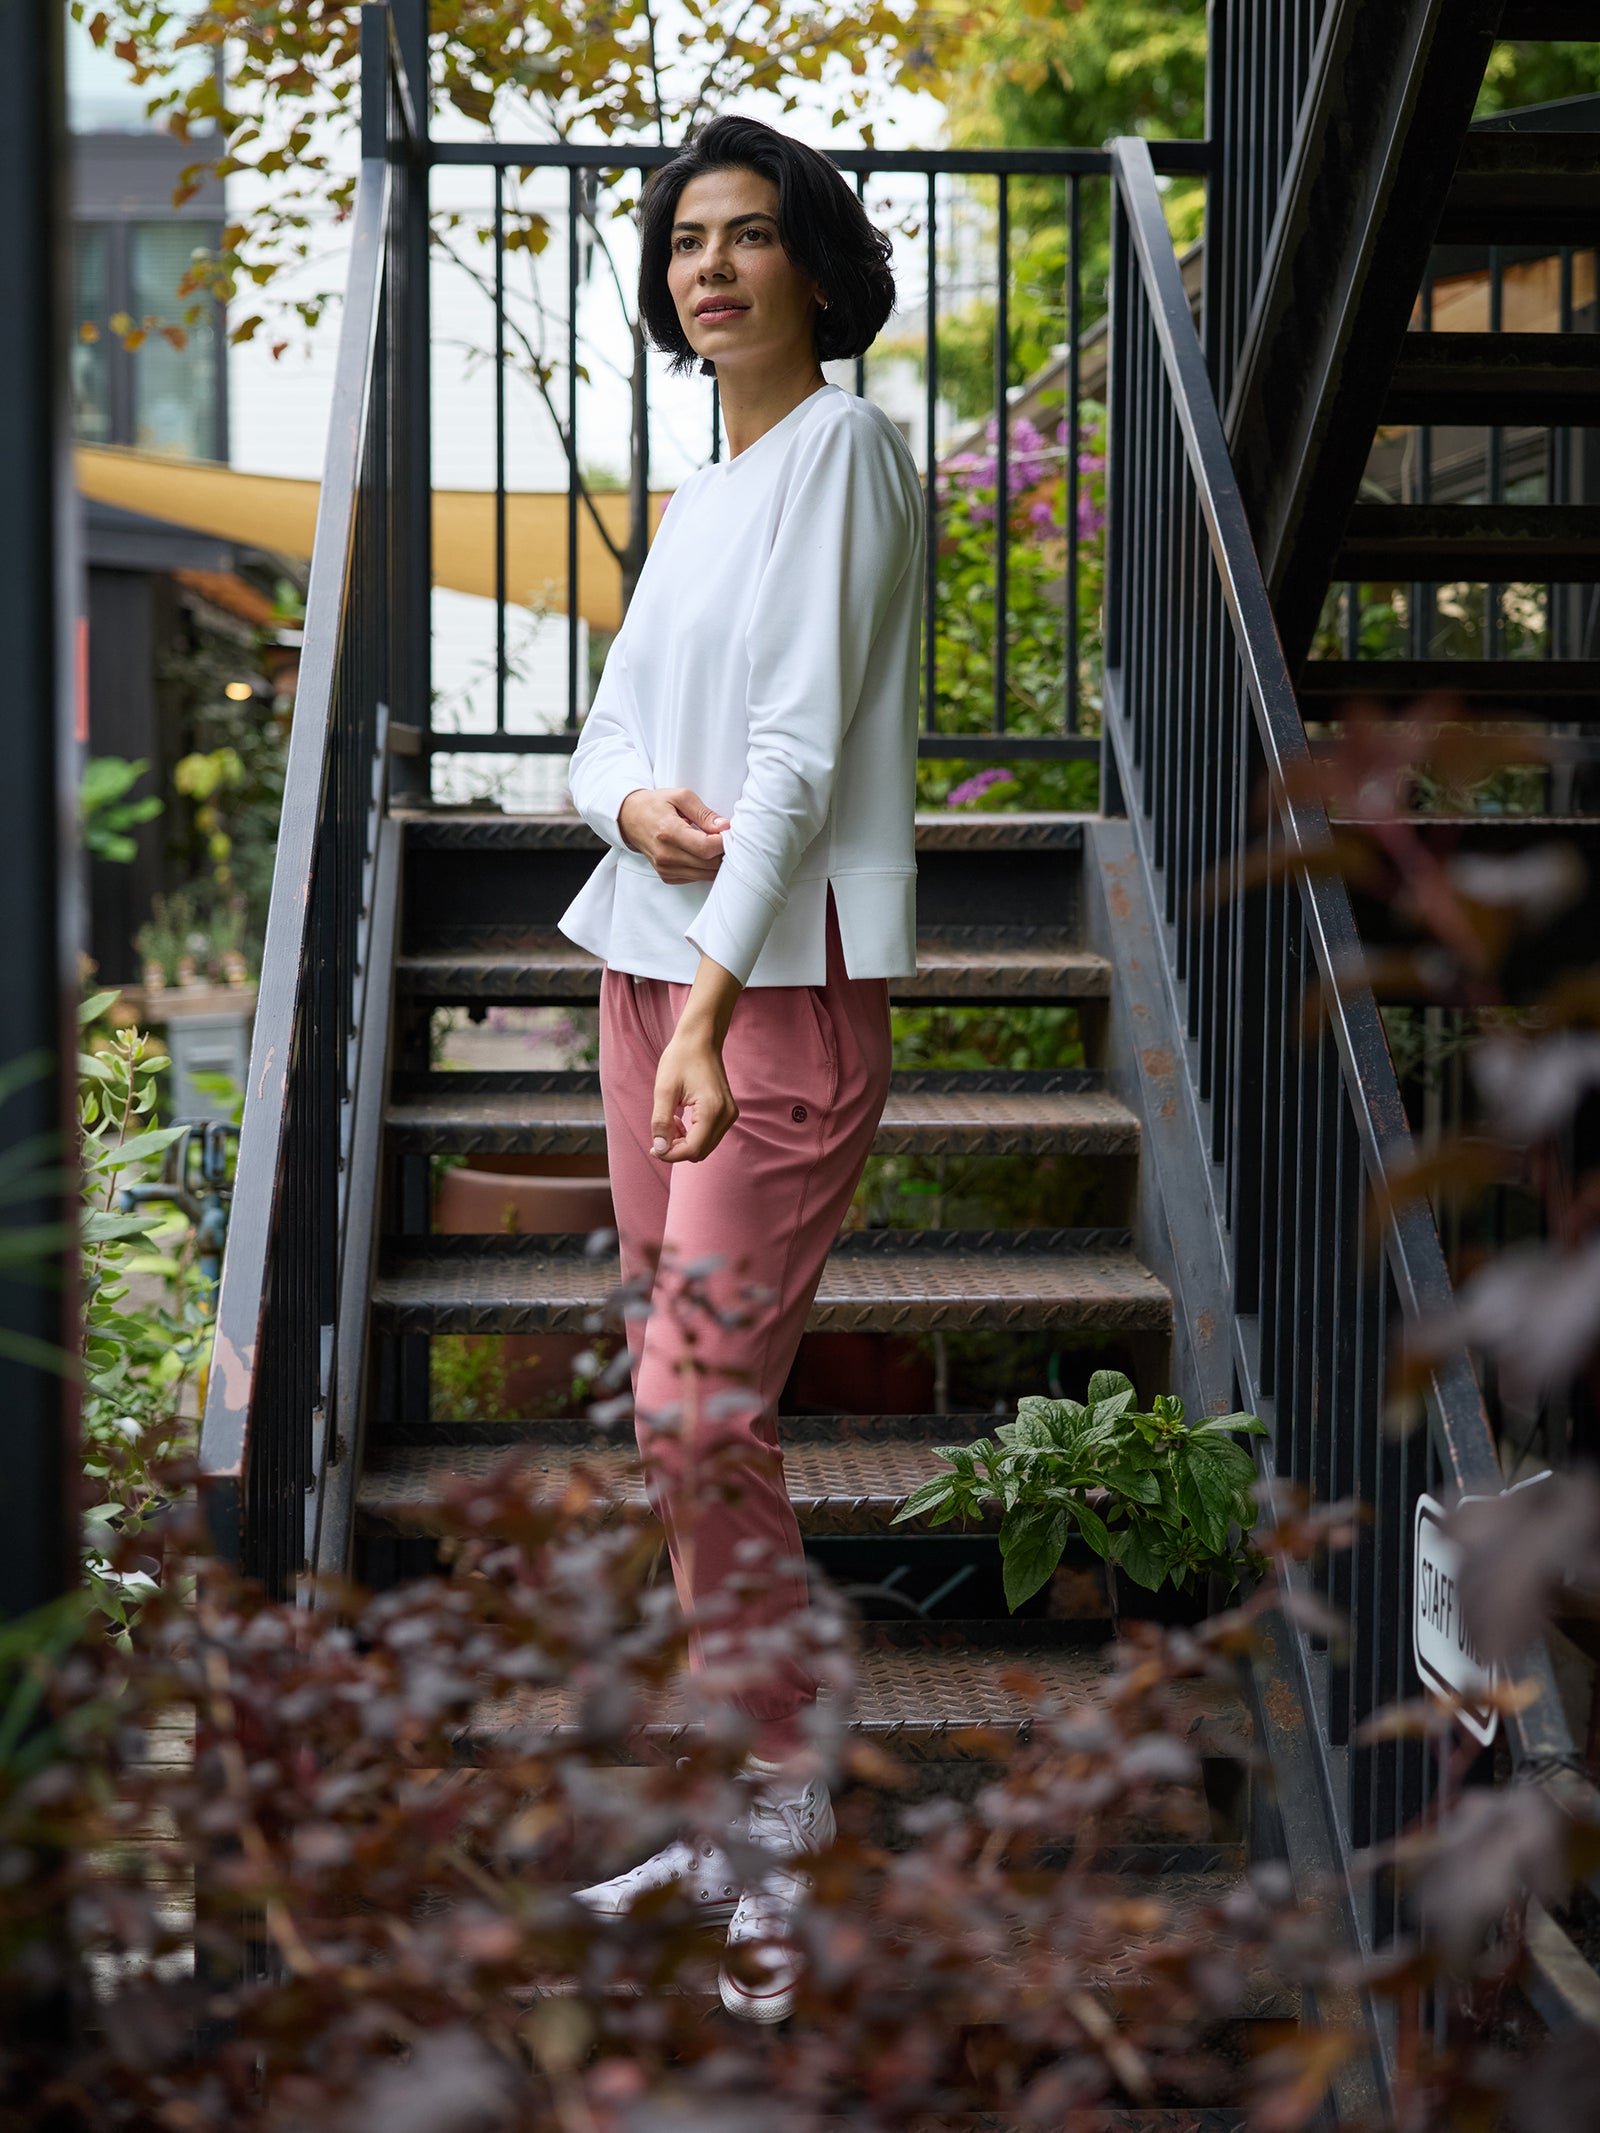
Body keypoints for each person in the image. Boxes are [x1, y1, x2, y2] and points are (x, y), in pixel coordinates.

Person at [558, 113, 924, 2021]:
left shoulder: (845, 453)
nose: (712, 267)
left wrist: (707, 1014)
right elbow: (601, 737)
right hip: (644, 971)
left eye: (750, 236)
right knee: (675, 1421)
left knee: (704, 1410)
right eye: (688, 241)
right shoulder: (700, 495)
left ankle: (783, 1816)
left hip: (765, 999)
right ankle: (742, 1798)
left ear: (817, 266)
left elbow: (791, 754)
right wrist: (625, 796)